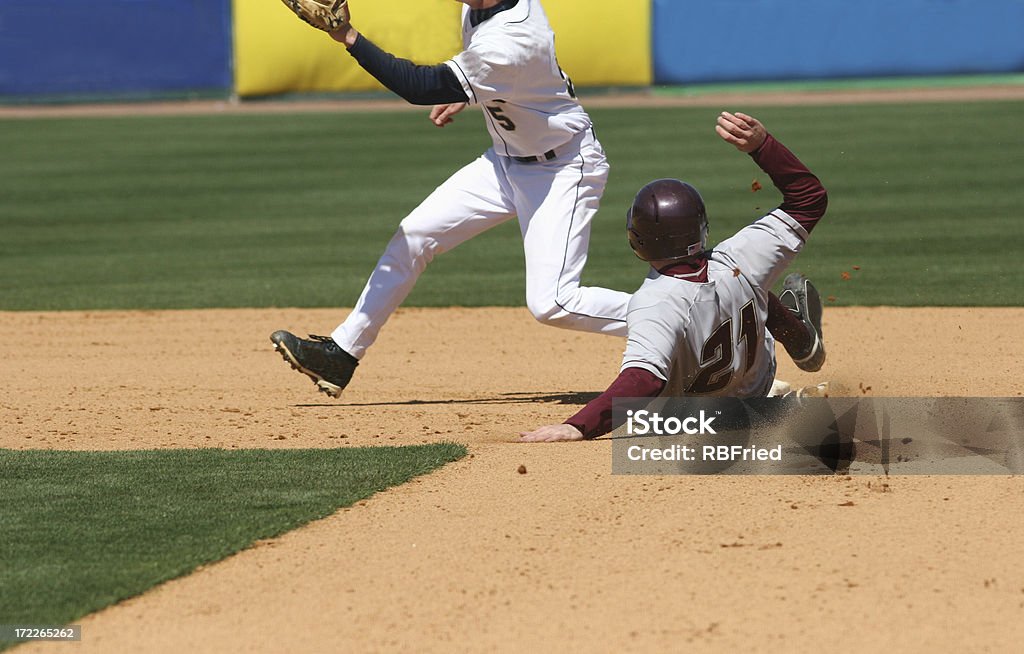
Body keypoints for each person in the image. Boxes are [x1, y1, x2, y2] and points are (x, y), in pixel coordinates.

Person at [271, 0, 633, 397]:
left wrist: (348, 37)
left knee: (554, 303)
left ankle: (680, 321)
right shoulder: (477, 10)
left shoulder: (514, 34)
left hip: (562, 167)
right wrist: (472, 92)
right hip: (504, 161)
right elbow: (509, 78)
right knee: (415, 234)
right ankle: (341, 353)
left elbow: (419, 87)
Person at [519, 111, 828, 442]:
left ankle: (782, 405)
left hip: (696, 420)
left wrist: (576, 426)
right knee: (750, 284)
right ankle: (801, 340)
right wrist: (762, 146)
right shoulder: (741, 256)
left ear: (637, 240)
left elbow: (643, 379)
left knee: (665, 409)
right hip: (759, 377)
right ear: (701, 228)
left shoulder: (654, 303)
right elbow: (809, 199)